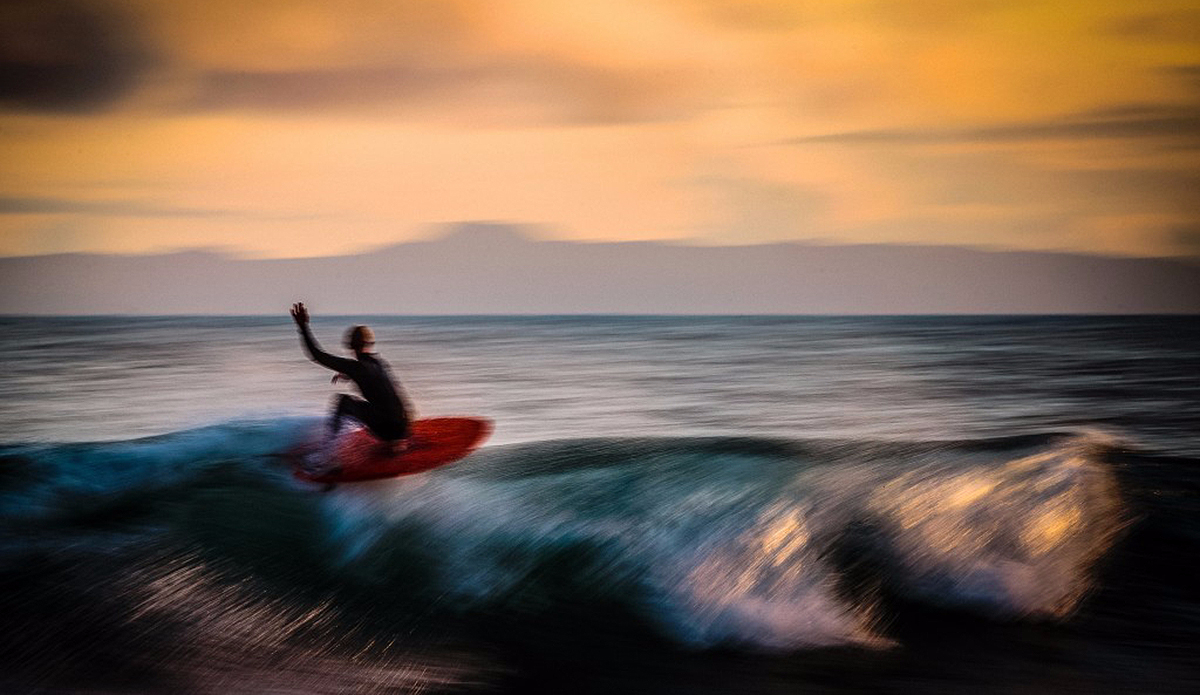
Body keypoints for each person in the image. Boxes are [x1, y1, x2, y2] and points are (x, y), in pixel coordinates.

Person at [290, 302, 412, 451]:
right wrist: (348, 375)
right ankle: (396, 441)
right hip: (404, 426)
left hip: (387, 430)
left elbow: (317, 356)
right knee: (383, 402)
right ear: (370, 344)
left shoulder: (356, 367)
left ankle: (329, 451)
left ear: (351, 346)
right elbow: (377, 383)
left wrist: (303, 328)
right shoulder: (379, 364)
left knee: (343, 401)